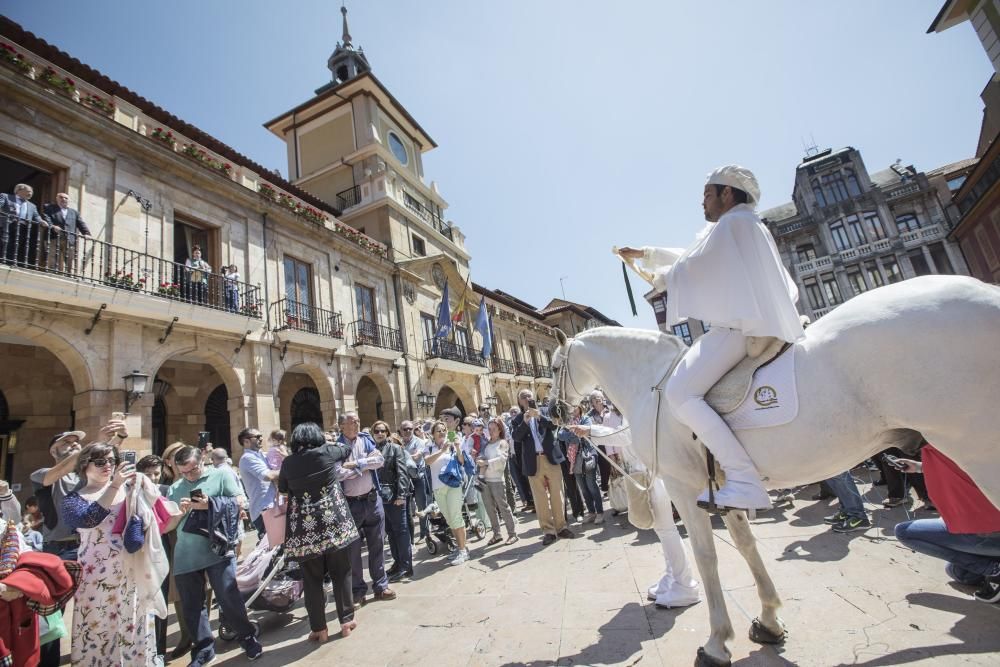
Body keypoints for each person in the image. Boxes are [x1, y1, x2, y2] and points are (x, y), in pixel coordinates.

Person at [619, 165, 804, 513]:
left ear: (727, 193)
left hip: (741, 327)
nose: (702, 201)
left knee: (679, 391)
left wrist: (660, 279)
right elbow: (692, 255)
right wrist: (645, 254)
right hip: (750, 322)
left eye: (707, 194)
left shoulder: (734, 224)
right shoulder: (741, 225)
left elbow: (696, 264)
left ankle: (743, 478)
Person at [569, 419, 702, 609]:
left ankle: (685, 584)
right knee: (663, 531)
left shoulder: (637, 399)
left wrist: (590, 430)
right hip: (645, 474)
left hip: (651, 476)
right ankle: (673, 576)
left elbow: (625, 435)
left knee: (667, 531)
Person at [63, 439, 166, 666]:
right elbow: (88, 519)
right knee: (98, 624)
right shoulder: (74, 498)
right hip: (95, 574)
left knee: (132, 621)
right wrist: (115, 485)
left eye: (112, 460)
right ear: (84, 465)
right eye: (100, 461)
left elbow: (156, 516)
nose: (108, 465)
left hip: (131, 569)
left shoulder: (128, 489)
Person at [167, 446, 263, 665]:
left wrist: (209, 504)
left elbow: (240, 501)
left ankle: (247, 636)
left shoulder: (221, 475)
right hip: (186, 554)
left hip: (217, 548)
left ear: (204, 460)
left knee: (228, 597)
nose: (189, 476)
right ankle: (203, 649)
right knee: (192, 605)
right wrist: (179, 514)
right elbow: (167, 527)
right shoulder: (174, 488)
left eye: (193, 470)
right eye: (184, 472)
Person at [278, 422, 359, 640]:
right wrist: (329, 440)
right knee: (341, 572)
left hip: (305, 530)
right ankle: (346, 622)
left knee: (311, 579)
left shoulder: (288, 462)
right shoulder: (326, 451)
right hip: (333, 523)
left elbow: (283, 488)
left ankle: (319, 629)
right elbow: (346, 449)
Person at [892, 446, 1000, 602]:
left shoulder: (945, 442)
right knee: (957, 572)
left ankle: (994, 569)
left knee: (904, 532)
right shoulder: (972, 444)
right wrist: (920, 467)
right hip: (986, 528)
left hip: (987, 529)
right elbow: (953, 466)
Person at [336, 412, 395, 603]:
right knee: (352, 550)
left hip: (371, 500)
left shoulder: (366, 440)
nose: (356, 425)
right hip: (350, 504)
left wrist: (356, 464)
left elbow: (379, 461)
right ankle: (358, 591)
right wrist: (363, 467)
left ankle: (381, 586)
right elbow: (338, 473)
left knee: (377, 544)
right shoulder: (336, 447)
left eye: (358, 422)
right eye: (351, 422)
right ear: (341, 426)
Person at [511, 389, 574, 545]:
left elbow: (554, 426)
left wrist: (539, 415)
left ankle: (561, 527)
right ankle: (548, 531)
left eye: (529, 396)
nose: (527, 398)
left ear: (534, 398)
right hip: (533, 461)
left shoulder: (545, 411)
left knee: (557, 494)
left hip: (550, 458)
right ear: (520, 402)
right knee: (540, 499)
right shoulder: (518, 418)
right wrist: (525, 422)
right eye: (523, 397)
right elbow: (516, 438)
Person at [424, 420, 472, 565]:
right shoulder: (429, 446)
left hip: (453, 485)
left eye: (444, 429)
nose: (442, 432)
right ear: (433, 434)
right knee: (450, 520)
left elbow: (462, 461)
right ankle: (460, 547)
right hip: (438, 488)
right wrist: (441, 451)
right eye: (438, 430)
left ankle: (463, 551)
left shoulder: (451, 442)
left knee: (456, 517)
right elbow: (427, 461)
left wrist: (457, 447)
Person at [371, 420, 413, 581]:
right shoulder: (372, 450)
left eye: (383, 431)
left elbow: (403, 473)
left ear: (387, 433)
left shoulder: (395, 448)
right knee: (390, 532)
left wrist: (402, 495)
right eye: (377, 431)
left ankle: (406, 566)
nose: (380, 433)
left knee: (401, 532)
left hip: (395, 496)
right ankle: (397, 563)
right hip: (379, 498)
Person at [561, 405, 605, 524]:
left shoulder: (585, 419)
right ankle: (591, 513)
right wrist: (574, 433)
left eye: (575, 406)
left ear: (580, 408)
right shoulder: (566, 421)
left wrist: (571, 433)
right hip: (574, 459)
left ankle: (600, 513)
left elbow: (584, 433)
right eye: (570, 407)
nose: (573, 409)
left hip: (588, 455)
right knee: (583, 488)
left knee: (592, 486)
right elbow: (560, 435)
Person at [478, 418, 518, 545]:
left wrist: (486, 462)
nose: (491, 431)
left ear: (500, 429)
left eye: (494, 429)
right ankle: (497, 534)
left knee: (503, 507)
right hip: (485, 479)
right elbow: (482, 456)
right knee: (490, 508)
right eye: (489, 429)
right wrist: (478, 458)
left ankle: (512, 534)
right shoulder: (487, 443)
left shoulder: (502, 443)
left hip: (496, 479)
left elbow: (502, 460)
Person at [237, 427, 277, 538]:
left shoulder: (262, 455)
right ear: (246, 441)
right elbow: (268, 476)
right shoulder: (247, 458)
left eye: (261, 436)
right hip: (263, 509)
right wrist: (288, 469)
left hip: (272, 506)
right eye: (257, 437)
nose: (261, 439)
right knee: (269, 545)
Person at [42, 192, 91, 273]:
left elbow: (81, 223)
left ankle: (69, 275)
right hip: (52, 237)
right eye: (61, 197)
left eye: (66, 198)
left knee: (70, 261)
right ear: (57, 199)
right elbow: (46, 218)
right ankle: (52, 274)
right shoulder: (49, 207)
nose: (63, 199)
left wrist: (87, 233)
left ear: (68, 200)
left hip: (69, 239)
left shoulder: (74, 212)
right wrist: (53, 226)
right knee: (52, 258)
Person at [1, 183, 49, 265]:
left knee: (19, 246)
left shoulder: (32, 205)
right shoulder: (6, 196)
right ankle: (4, 262)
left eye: (32, 192)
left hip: (24, 228)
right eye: (28, 191)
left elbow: (36, 216)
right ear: (19, 190)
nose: (31, 194)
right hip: (8, 225)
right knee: (6, 243)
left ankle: (15, 263)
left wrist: (41, 221)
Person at [400, 420, 431, 542]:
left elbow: (417, 456)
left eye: (410, 429)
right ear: (401, 431)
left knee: (421, 505)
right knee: (407, 509)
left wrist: (401, 457)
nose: (408, 431)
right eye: (405, 429)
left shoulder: (419, 442)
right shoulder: (399, 443)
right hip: (405, 479)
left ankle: (425, 533)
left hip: (418, 477)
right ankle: (409, 536)